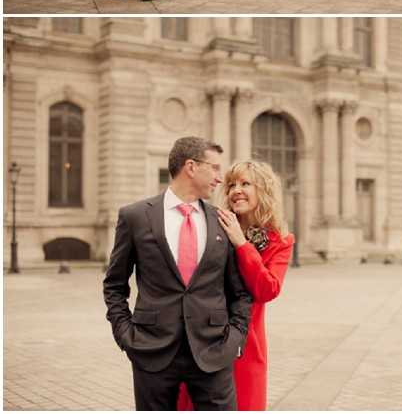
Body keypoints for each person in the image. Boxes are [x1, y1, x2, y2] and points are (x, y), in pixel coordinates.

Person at [103, 136, 252, 412]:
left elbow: (239, 290)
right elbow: (114, 284)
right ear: (191, 167)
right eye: (215, 168)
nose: (220, 179)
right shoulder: (134, 216)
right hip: (151, 352)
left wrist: (234, 338)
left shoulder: (224, 221)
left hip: (214, 351)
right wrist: (126, 336)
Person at [178, 160, 294, 413]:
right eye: (231, 184)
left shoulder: (281, 240)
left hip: (247, 346)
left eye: (245, 183)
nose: (235, 190)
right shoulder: (211, 226)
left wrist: (241, 243)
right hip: (202, 339)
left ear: (263, 190)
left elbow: (267, 289)